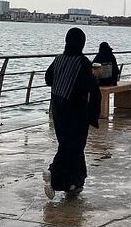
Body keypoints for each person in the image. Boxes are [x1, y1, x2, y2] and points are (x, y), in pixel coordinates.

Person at [43, 28, 100, 199]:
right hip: (75, 110)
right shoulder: (82, 62)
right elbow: (91, 88)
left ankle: (74, 184)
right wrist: (93, 115)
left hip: (57, 109)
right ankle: (53, 174)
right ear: (82, 43)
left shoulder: (59, 59)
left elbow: (48, 79)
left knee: (71, 146)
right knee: (72, 146)